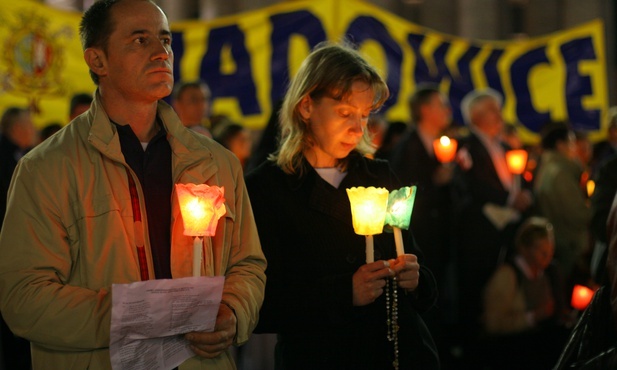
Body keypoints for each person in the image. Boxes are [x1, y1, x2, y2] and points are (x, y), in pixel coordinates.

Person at [0, 1, 266, 369]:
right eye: (140, 41)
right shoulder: (46, 168)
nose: (161, 53)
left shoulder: (214, 163)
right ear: (98, 61)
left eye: (166, 39)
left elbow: (247, 264)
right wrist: (142, 312)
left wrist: (233, 313)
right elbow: (24, 299)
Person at [245, 42, 439, 369]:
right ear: (306, 106)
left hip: (397, 353)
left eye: (364, 116)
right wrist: (343, 292)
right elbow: (259, 304)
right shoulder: (269, 188)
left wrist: (417, 279)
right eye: (345, 113)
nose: (357, 128)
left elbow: (416, 260)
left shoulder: (377, 174)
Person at [451, 88, 533, 362]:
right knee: (476, 288)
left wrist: (523, 194)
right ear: (476, 116)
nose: (500, 116)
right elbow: (469, 184)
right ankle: (474, 350)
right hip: (479, 233)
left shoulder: (506, 147)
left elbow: (520, 178)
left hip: (506, 231)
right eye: (493, 111)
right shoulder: (466, 146)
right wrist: (508, 198)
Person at [387, 84, 455, 358]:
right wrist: (433, 182)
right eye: (440, 105)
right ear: (425, 110)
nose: (447, 110)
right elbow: (404, 191)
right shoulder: (409, 147)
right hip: (422, 238)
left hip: (440, 237)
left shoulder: (438, 144)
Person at [481, 217, 569, 369]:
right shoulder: (507, 276)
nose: (547, 258)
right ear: (525, 249)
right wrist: (532, 317)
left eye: (550, 252)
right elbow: (493, 324)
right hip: (512, 352)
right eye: (542, 252)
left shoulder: (550, 272)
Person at [534, 121, 591, 295]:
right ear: (560, 145)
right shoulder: (560, 174)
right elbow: (577, 215)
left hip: (562, 244)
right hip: (570, 248)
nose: (575, 149)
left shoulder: (548, 169)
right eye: (572, 143)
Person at [0, 106, 36, 370]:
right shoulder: (9, 159)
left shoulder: (19, 156)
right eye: (30, 125)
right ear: (18, 129)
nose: (34, 130)